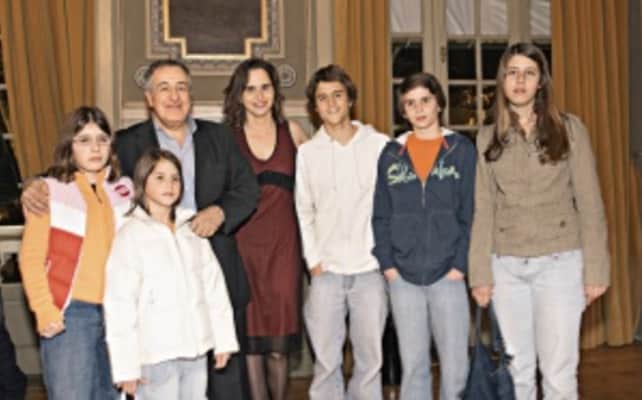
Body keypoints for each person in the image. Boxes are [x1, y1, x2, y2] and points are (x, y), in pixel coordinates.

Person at [20, 59, 260, 400]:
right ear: (149, 98)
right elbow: (76, 172)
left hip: (207, 269)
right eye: (164, 88)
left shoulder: (219, 136)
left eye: (181, 87)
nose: (174, 96)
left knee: (215, 384)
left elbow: (247, 189)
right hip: (126, 300)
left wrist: (220, 212)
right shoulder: (126, 143)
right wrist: (32, 186)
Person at [468, 42, 610, 400]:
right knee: (517, 373)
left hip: (560, 263)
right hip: (505, 267)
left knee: (559, 373)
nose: (520, 81)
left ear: (541, 82)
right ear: (502, 80)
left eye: (529, 74)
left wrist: (596, 269)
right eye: (513, 73)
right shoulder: (487, 137)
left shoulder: (570, 130)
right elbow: (483, 209)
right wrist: (480, 273)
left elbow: (590, 203)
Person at [372, 72, 475, 400]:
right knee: (414, 366)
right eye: (410, 103)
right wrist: (388, 265)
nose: (419, 109)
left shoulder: (460, 150)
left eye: (425, 101)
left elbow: (471, 211)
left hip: (449, 274)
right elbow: (381, 214)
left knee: (455, 367)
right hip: (403, 276)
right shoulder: (391, 154)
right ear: (403, 111)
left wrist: (460, 264)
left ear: (439, 104)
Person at [104, 149, 238, 399]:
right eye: (160, 177)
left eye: (175, 178)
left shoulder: (192, 231)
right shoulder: (130, 235)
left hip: (195, 350)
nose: (169, 184)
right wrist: (126, 366)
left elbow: (214, 290)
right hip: (155, 354)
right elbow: (120, 304)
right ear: (142, 182)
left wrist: (223, 339)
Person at [18, 106, 132, 400]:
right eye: (84, 140)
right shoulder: (49, 191)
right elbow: (31, 259)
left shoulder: (125, 191)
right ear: (70, 145)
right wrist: (45, 309)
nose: (95, 148)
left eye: (102, 139)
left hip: (118, 314)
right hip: (70, 314)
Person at [295, 64, 389, 400]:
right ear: (314, 107)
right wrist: (314, 262)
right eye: (322, 98)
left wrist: (383, 256)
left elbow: (392, 207)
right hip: (326, 272)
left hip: (370, 269)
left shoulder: (379, 145)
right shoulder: (308, 153)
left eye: (337, 95)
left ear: (350, 99)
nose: (331, 104)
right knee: (326, 362)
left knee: (370, 361)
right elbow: (304, 210)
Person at [223, 58, 307, 400]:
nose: (259, 96)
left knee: (278, 347)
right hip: (243, 248)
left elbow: (319, 189)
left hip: (285, 248)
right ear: (239, 95)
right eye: (250, 89)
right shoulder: (227, 139)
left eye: (265, 87)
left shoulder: (294, 132)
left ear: (275, 91)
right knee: (252, 345)